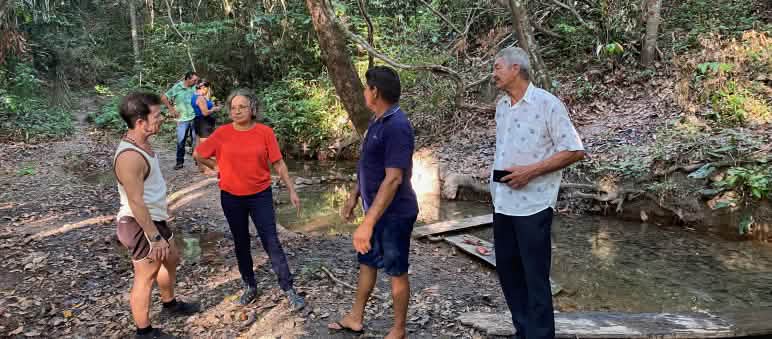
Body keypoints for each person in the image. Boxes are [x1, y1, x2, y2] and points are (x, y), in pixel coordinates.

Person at [489, 47, 585, 339]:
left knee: (535, 277)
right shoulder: (502, 106)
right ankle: (524, 331)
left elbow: (574, 150)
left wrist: (530, 171)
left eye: (497, 68)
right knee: (508, 272)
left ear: (516, 68)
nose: (493, 74)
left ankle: (541, 335)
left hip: (534, 204)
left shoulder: (547, 104)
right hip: (503, 202)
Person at [193, 89, 306, 310]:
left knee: (271, 240)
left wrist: (292, 189)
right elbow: (199, 154)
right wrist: (217, 168)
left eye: (242, 107)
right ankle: (249, 286)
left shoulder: (265, 132)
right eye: (233, 108)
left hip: (260, 195)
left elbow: (278, 163)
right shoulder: (222, 133)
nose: (237, 111)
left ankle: (288, 288)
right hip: (231, 197)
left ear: (252, 109)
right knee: (241, 241)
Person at [328, 66, 418, 339]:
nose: (365, 92)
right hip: (376, 212)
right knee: (367, 262)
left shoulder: (397, 127)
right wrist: (354, 195)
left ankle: (398, 329)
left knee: (396, 270)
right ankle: (355, 317)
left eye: (367, 88)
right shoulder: (377, 122)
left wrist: (367, 223)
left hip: (395, 214)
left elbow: (393, 179)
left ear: (375, 91)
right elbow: (370, 166)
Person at [113, 92, 200, 339]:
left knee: (171, 258)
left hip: (154, 218)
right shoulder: (130, 156)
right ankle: (144, 332)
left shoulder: (143, 142)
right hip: (139, 223)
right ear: (140, 122)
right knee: (145, 276)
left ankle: (170, 303)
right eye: (157, 115)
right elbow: (136, 201)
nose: (162, 118)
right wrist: (154, 236)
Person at [161, 71, 199, 170]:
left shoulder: (194, 87)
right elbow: (164, 97)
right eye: (194, 80)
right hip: (182, 119)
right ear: (187, 79)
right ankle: (179, 162)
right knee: (181, 141)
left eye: (196, 80)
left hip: (194, 117)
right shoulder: (177, 87)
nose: (196, 82)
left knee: (195, 140)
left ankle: (198, 161)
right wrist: (171, 109)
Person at [190, 80, 221, 175]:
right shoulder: (200, 98)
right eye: (207, 89)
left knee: (198, 147)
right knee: (205, 148)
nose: (207, 91)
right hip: (204, 123)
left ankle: (201, 168)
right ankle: (207, 169)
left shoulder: (194, 96)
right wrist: (215, 109)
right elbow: (205, 112)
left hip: (199, 122)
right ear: (203, 88)